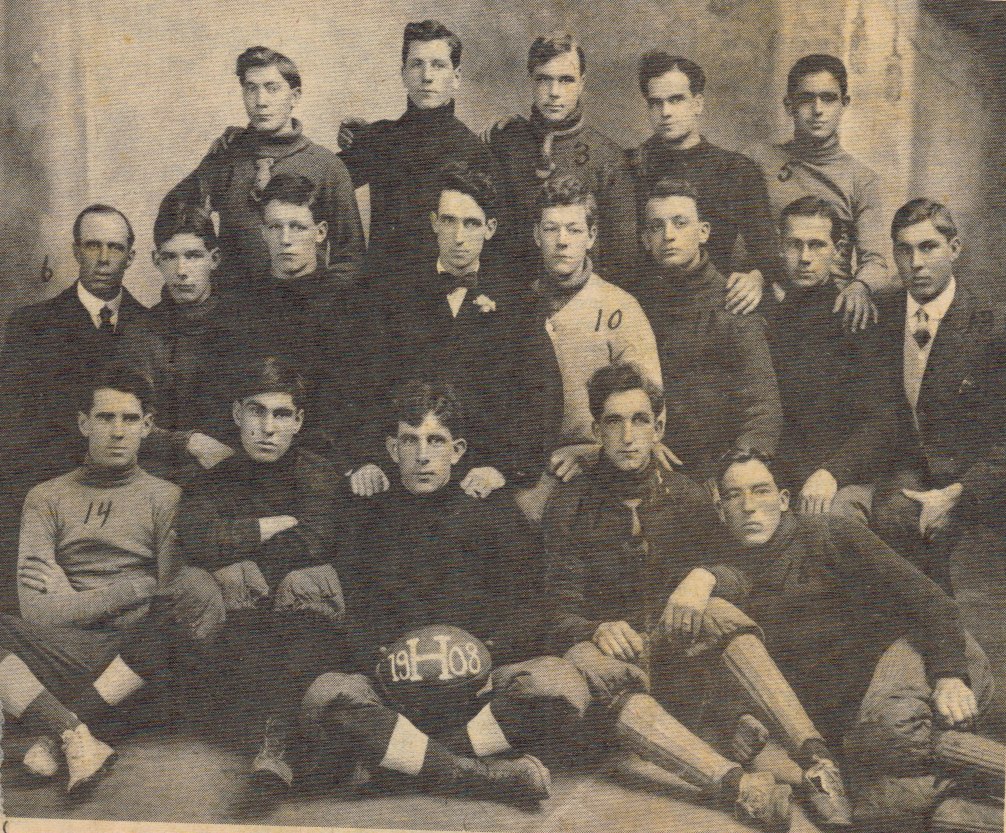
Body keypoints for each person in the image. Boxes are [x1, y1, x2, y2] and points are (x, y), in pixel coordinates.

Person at [541, 363, 851, 830]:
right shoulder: (570, 504)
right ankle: (740, 789)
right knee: (589, 660)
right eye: (613, 421)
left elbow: (740, 574)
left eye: (640, 420)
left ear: (659, 427)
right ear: (596, 431)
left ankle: (818, 763)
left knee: (719, 611)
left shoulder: (686, 496)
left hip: (678, 655)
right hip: (616, 663)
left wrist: (705, 577)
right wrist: (595, 628)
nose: (628, 436)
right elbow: (556, 611)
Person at [48, 357, 348, 793]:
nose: (268, 428)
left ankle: (277, 750)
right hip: (226, 639)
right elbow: (202, 541)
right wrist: (266, 527)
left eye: (281, 414)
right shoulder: (216, 478)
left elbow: (313, 543)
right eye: (257, 412)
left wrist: (244, 563)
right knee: (188, 589)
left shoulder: (318, 474)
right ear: (237, 414)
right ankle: (71, 727)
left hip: (296, 638)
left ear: (298, 421)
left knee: (308, 585)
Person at [299, 382, 573, 806]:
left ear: (457, 450)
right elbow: (355, 609)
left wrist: (488, 651)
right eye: (410, 441)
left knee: (560, 685)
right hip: (395, 690)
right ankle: (477, 776)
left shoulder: (492, 509)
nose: (422, 455)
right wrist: (381, 658)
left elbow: (532, 605)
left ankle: (406, 760)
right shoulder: (368, 514)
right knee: (323, 696)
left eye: (435, 441)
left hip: (476, 689)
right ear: (392, 449)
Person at [715, 449, 1004, 831]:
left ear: (784, 500)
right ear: (720, 509)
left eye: (761, 490)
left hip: (927, 656)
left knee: (889, 727)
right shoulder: (725, 577)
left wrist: (950, 675)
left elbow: (933, 602)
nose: (749, 506)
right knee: (881, 811)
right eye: (734, 495)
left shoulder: (830, 533)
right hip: (861, 721)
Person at [0, 368, 179, 792]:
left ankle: (49, 730)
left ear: (147, 426)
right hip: (60, 651)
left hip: (132, 661)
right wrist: (129, 589)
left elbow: (166, 599)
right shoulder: (46, 497)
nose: (118, 432)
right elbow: (36, 612)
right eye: (105, 417)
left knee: (170, 628)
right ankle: (73, 734)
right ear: (84, 423)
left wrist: (70, 596)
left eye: (130, 419)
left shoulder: (167, 497)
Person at [838, 199, 1006, 593]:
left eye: (928, 247)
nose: (915, 263)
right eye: (904, 250)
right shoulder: (879, 314)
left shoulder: (993, 325)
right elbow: (875, 416)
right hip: (906, 474)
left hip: (980, 482)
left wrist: (958, 494)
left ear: (955, 248)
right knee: (880, 525)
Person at [348, 162, 519, 501]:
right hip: (401, 470)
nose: (459, 237)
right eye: (449, 221)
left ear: (490, 228)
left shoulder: (517, 303)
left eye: (471, 223)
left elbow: (537, 396)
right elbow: (362, 387)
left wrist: (501, 469)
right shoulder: (393, 297)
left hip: (480, 475)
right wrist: (367, 459)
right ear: (433, 223)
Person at [509, 174, 663, 522]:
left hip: (601, 465)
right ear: (536, 235)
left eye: (574, 230)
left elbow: (651, 406)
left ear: (591, 236)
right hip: (527, 466)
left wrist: (592, 451)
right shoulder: (515, 304)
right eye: (551, 229)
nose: (562, 241)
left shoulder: (619, 307)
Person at [158, 46, 364, 289]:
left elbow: (350, 258)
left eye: (272, 88)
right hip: (234, 304)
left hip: (302, 303)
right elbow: (174, 210)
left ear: (295, 96)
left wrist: (321, 302)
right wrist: (207, 262)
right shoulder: (226, 157)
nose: (260, 101)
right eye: (251, 89)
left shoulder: (325, 165)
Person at [337, 20, 500, 308]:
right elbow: (321, 182)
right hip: (382, 301)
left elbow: (495, 244)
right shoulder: (378, 138)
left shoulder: (475, 152)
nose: (427, 76)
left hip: (443, 303)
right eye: (417, 65)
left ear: (456, 77)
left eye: (438, 65)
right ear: (403, 74)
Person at [0, 205, 150, 503]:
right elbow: (13, 428)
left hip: (132, 496)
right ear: (76, 251)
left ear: (131, 257)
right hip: (52, 491)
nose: (104, 259)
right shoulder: (31, 325)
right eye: (93, 246)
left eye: (115, 248)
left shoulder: (153, 324)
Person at [635, 178, 781, 484]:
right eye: (657, 227)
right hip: (645, 460)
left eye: (680, 223)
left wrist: (735, 471)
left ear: (703, 232)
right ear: (646, 239)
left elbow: (762, 411)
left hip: (718, 470)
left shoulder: (733, 303)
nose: (669, 235)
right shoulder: (635, 304)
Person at [232, 172, 376, 472]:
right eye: (275, 227)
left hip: (327, 462)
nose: (285, 240)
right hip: (252, 458)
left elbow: (360, 400)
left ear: (320, 232)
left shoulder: (351, 306)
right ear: (263, 233)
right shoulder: (240, 306)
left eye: (297, 227)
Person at [746, 54, 894, 330]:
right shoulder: (758, 161)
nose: (817, 110)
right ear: (789, 105)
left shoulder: (862, 180)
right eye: (806, 99)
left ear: (844, 104)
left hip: (830, 309)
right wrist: (754, 273)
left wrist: (860, 286)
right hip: (767, 300)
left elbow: (875, 261)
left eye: (828, 98)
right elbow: (735, 240)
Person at [624, 52, 779, 314]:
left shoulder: (736, 170)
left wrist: (757, 277)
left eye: (676, 100)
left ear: (697, 103)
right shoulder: (629, 166)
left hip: (712, 305)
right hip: (645, 304)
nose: (666, 112)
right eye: (656, 103)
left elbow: (767, 252)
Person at [765, 196, 889, 513]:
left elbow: (882, 421)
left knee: (832, 520)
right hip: (782, 472)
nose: (804, 258)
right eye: (794, 245)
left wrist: (832, 473)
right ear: (780, 247)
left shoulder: (855, 318)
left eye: (817, 245)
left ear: (837, 250)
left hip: (841, 474)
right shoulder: (768, 316)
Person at [484, 33, 633, 280]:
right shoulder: (504, 143)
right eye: (544, 79)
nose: (554, 92)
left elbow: (621, 257)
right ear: (531, 81)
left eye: (566, 80)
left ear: (582, 83)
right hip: (509, 290)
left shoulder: (609, 157)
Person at [124, 205, 239, 479]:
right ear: (156, 260)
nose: (182, 271)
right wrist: (188, 442)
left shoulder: (243, 326)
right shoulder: (139, 334)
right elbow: (124, 422)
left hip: (237, 471)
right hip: (162, 475)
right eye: (170, 257)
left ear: (214, 259)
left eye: (193, 256)